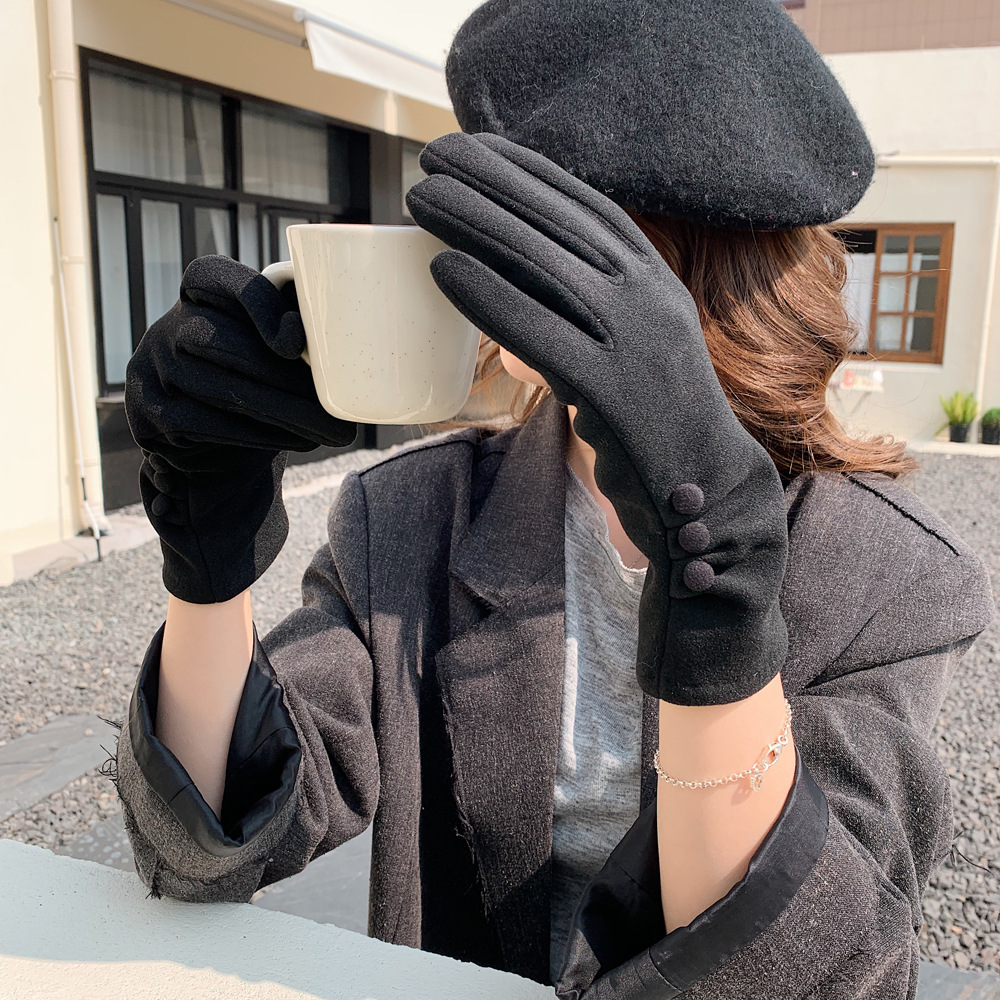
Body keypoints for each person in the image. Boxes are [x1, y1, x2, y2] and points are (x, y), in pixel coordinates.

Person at [113, 1, 996, 997]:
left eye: (533, 233)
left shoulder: (893, 578)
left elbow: (815, 972)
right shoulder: (411, 519)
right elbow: (207, 852)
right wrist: (206, 558)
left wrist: (718, 588)